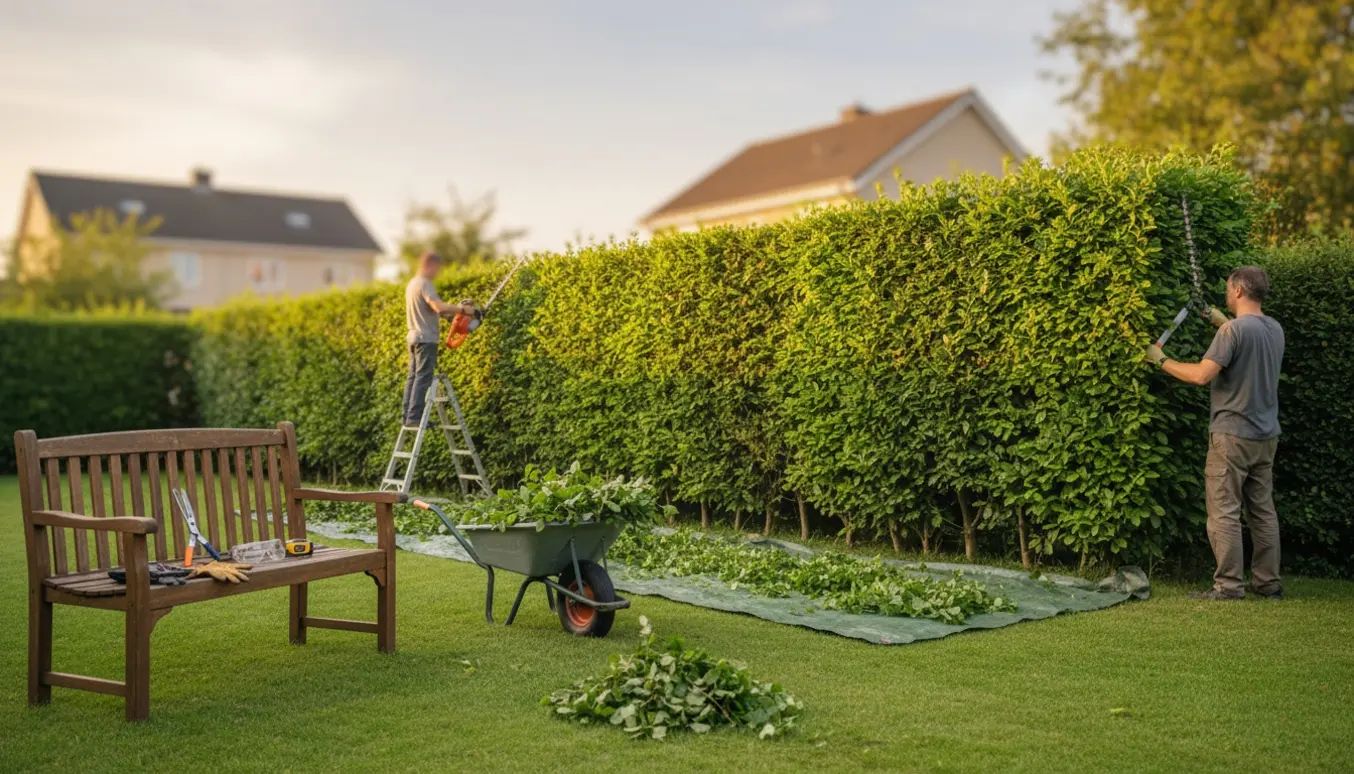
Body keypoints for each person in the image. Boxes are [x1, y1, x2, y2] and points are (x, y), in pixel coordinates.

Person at [1145, 266, 1285, 601]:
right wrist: (1220, 321)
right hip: (1265, 437)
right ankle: (1268, 584)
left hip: (1232, 436)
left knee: (1224, 511)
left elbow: (1201, 376)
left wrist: (1160, 359)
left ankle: (1228, 587)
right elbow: (1246, 344)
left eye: (1227, 289)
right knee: (1263, 512)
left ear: (1238, 290)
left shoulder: (1233, 333)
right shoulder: (1273, 329)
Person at [402, 252, 480, 427]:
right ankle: (414, 417)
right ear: (430, 264)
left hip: (413, 337)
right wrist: (463, 309)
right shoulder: (425, 283)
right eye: (437, 269)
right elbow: (437, 306)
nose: (437, 273)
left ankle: (407, 415)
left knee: (413, 377)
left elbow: (436, 311)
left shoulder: (412, 284)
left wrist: (454, 314)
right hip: (426, 338)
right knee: (423, 377)